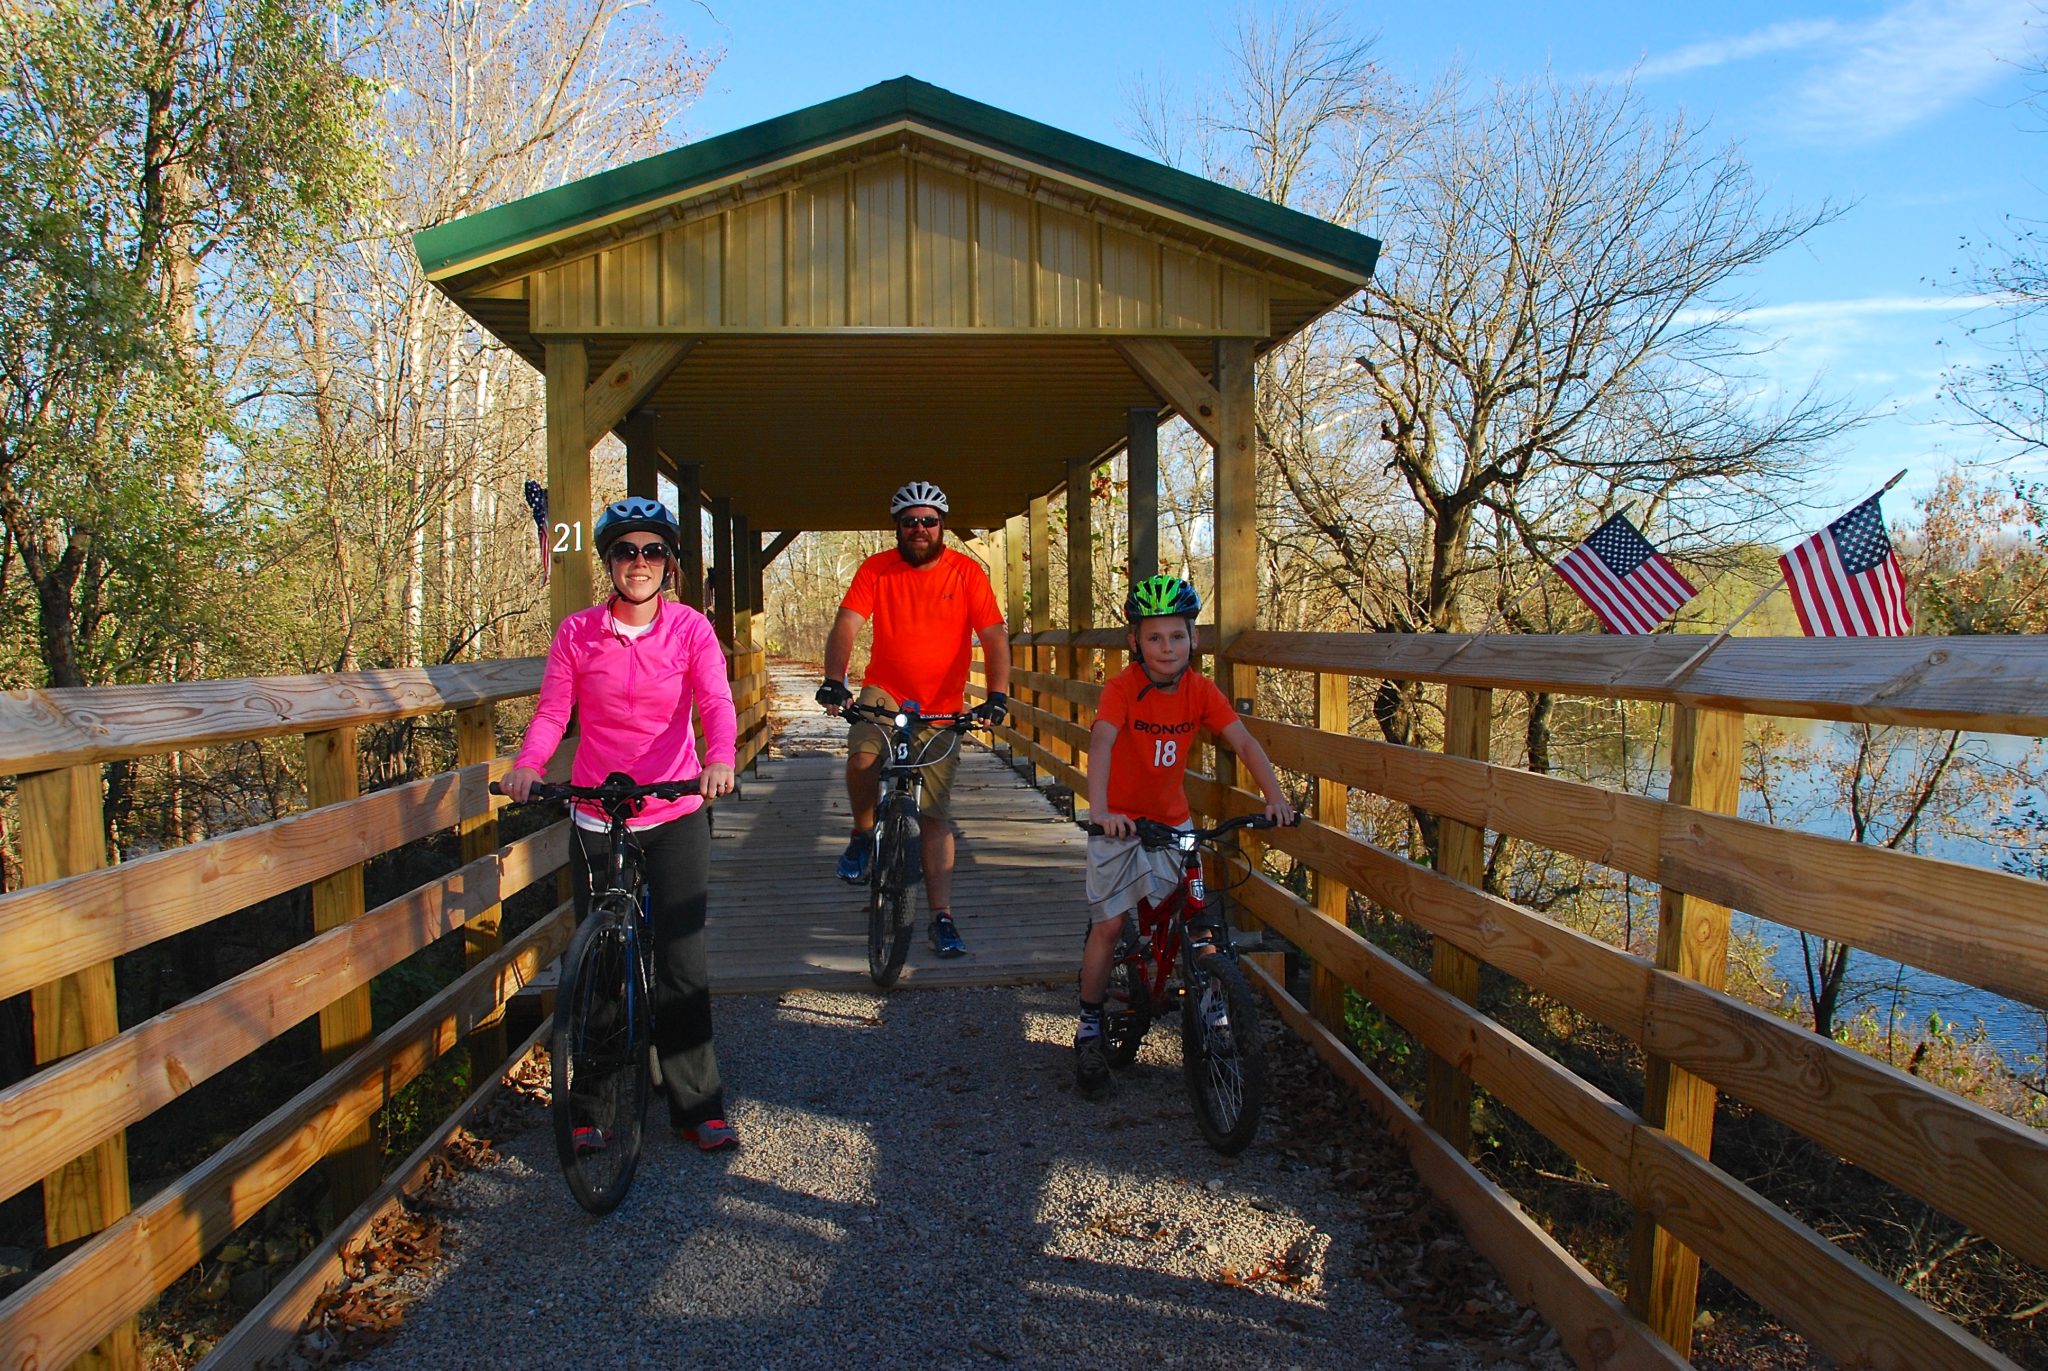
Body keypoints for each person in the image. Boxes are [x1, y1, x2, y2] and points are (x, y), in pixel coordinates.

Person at [500, 496, 743, 1151]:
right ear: (609, 561)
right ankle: (592, 1107)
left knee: (682, 960)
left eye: (652, 551)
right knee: (602, 962)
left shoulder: (690, 629)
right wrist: (529, 764)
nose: (639, 563)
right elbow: (555, 712)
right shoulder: (578, 632)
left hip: (674, 805)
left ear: (668, 563)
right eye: (626, 551)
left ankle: (698, 1104)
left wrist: (719, 759)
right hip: (599, 809)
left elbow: (716, 703)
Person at [1075, 574, 1295, 1096]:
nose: (1167, 647)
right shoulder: (1122, 688)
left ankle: (1212, 1012)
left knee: (1197, 920)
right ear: (1135, 642)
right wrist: (1102, 810)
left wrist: (1275, 797)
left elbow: (1242, 741)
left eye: (1177, 636)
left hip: (1174, 822)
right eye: (1154, 637)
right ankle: (1088, 1027)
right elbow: (1103, 743)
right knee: (1108, 927)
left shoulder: (1200, 689)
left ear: (1193, 639)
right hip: (1121, 822)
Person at [815, 480, 1012, 959]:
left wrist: (998, 696)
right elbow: (847, 623)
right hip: (886, 691)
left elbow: (993, 636)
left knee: (934, 815)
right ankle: (863, 834)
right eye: (910, 522)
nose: (919, 529)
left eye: (929, 521)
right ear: (897, 528)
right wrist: (834, 679)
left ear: (942, 526)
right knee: (863, 755)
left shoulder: (966, 573)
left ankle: (940, 915)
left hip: (942, 703)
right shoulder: (876, 569)